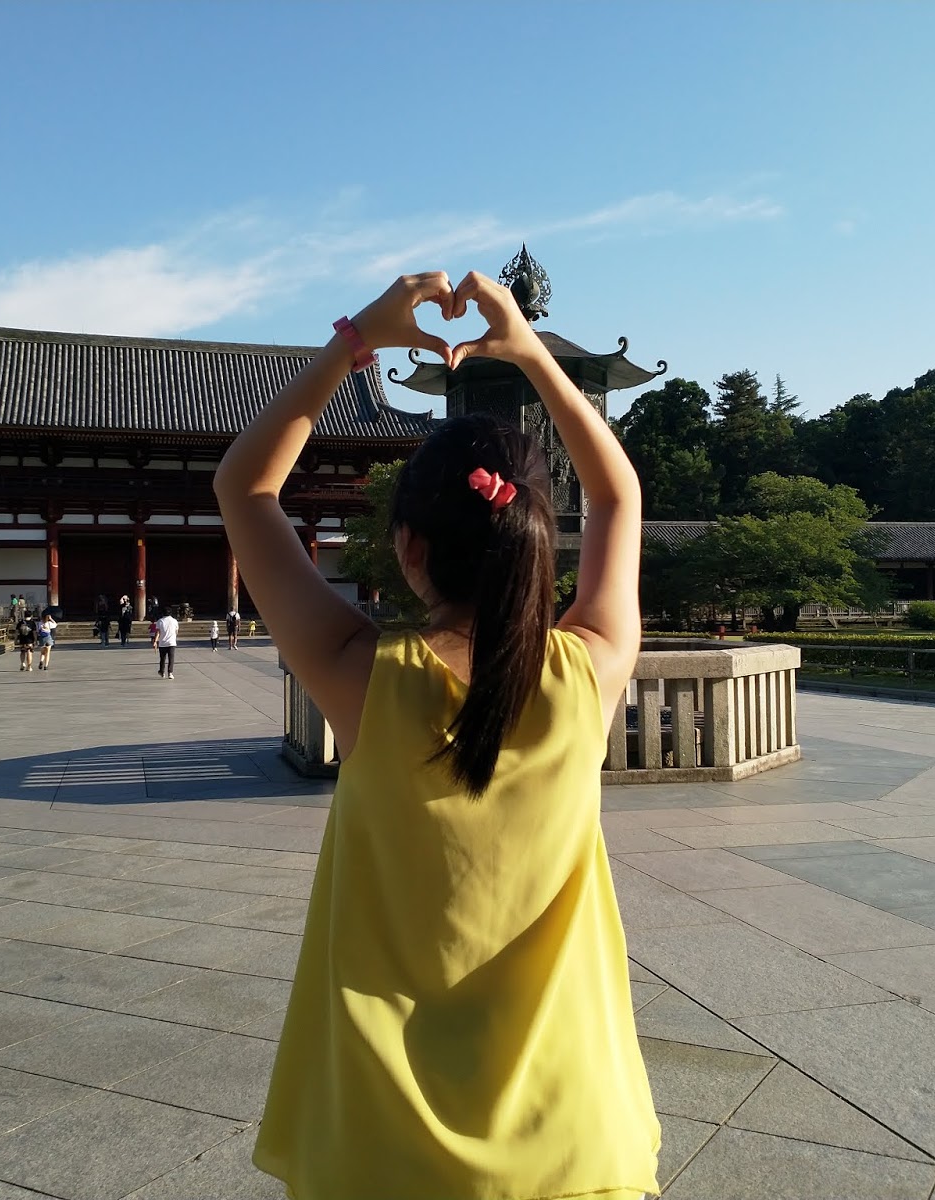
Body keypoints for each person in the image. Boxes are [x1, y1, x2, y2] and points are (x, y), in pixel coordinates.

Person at [214, 272, 658, 1199]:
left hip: (380, 1148)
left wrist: (354, 343)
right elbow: (619, 497)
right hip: (573, 1139)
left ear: (408, 547)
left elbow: (246, 490)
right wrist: (531, 351)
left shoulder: (359, 674)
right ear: (538, 537)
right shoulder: (588, 671)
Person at [150, 605, 179, 678]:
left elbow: (158, 632)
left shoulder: (160, 621)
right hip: (171, 642)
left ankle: (162, 672)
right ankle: (170, 673)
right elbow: (176, 632)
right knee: (171, 658)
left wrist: (155, 641)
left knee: (162, 659)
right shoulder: (174, 621)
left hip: (162, 643)